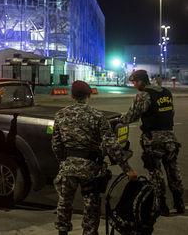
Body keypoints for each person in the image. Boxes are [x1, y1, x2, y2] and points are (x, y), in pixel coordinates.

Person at [52, 80, 137, 235]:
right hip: (90, 169)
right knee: (91, 206)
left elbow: (56, 145)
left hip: (68, 167)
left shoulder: (60, 115)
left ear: (71, 95)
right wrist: (127, 169)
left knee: (64, 202)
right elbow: (112, 145)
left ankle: (62, 231)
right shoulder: (98, 117)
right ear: (89, 95)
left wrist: (64, 162)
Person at [119, 69, 185, 216]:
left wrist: (119, 120)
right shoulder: (166, 92)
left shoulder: (144, 95)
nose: (134, 85)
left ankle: (161, 205)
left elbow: (132, 116)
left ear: (141, 81)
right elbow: (171, 113)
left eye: (135, 82)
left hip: (153, 140)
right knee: (173, 171)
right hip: (170, 138)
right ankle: (179, 203)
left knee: (155, 173)